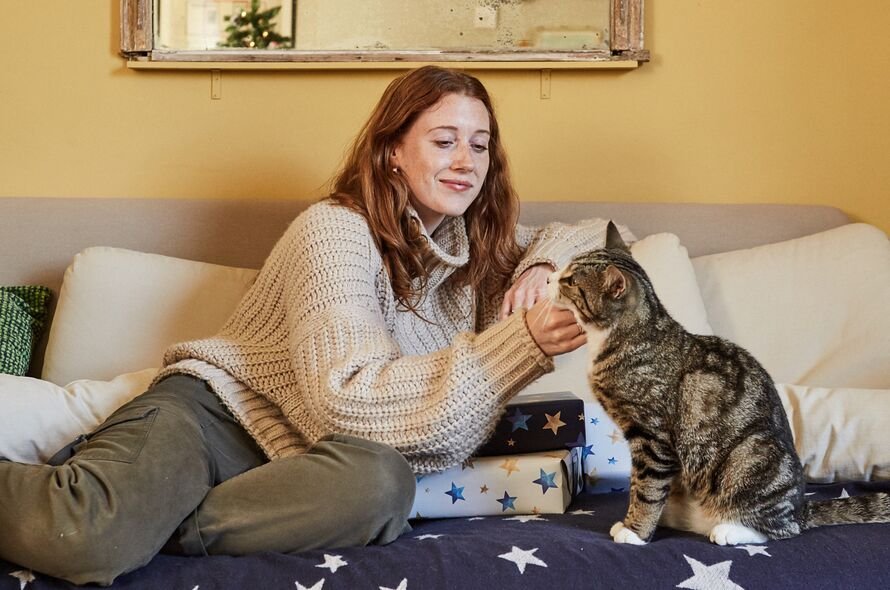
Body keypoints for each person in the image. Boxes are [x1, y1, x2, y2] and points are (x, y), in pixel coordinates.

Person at [0, 65, 630, 585]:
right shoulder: (334, 231)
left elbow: (607, 237)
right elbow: (345, 405)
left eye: (480, 143)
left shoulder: (478, 252)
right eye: (444, 140)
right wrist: (519, 344)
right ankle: (118, 509)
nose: (466, 159)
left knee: (383, 484)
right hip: (213, 420)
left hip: (303, 466)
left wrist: (546, 263)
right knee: (85, 540)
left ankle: (150, 521)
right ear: (391, 154)